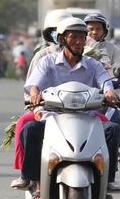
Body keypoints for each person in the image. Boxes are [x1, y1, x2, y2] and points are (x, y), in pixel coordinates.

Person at [14, 18, 120, 199]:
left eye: (82, 37)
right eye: (74, 37)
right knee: (29, 129)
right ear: (62, 39)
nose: (78, 42)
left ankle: (106, 185)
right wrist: (34, 95)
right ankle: (35, 183)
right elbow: (33, 85)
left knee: (112, 129)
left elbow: (105, 81)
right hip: (52, 117)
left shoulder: (93, 65)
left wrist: (109, 92)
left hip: (86, 117)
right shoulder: (47, 62)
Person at [10, 10, 73, 183]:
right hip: (48, 109)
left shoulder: (86, 56)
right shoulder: (43, 56)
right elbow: (32, 86)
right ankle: (27, 174)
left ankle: (106, 178)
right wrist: (36, 105)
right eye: (57, 31)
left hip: (80, 109)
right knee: (24, 124)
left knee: (109, 127)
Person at [83, 12, 120, 191]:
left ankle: (110, 174)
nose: (93, 33)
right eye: (90, 29)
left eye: (97, 29)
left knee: (115, 118)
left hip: (106, 99)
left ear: (104, 31)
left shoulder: (112, 50)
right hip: (81, 98)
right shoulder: (79, 49)